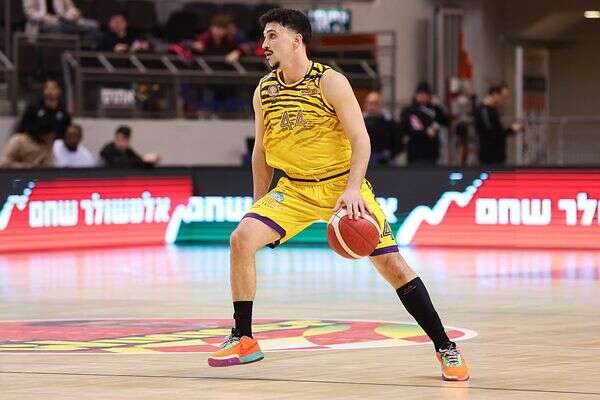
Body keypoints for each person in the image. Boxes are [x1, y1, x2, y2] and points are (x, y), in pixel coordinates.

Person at [206, 9, 469, 382]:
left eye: (272, 35)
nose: (264, 44)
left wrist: (352, 189)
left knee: (393, 268)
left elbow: (362, 140)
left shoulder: (330, 82)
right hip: (294, 188)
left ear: (296, 40)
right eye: (264, 37)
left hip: (341, 185)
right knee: (241, 239)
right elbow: (260, 152)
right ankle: (244, 337)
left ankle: (446, 347)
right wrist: (258, 204)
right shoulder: (264, 90)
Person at [400, 82, 449, 165]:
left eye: (426, 94)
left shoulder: (434, 109)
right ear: (416, 95)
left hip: (432, 152)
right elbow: (406, 128)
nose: (423, 96)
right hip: (416, 152)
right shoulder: (409, 110)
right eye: (421, 94)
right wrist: (425, 132)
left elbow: (445, 121)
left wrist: (438, 106)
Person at [474, 85, 523, 165]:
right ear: (495, 94)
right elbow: (491, 134)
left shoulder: (491, 110)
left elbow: (496, 131)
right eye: (503, 97)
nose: (503, 100)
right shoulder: (484, 111)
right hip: (489, 156)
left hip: (497, 156)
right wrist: (511, 130)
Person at [23, 0, 101, 43]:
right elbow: (29, 12)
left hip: (63, 21)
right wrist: (45, 17)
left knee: (94, 25)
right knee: (91, 27)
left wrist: (74, 13)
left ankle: (87, 56)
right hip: (41, 24)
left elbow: (70, 7)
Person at [363, 91, 402, 166]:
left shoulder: (389, 121)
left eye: (375, 104)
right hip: (366, 159)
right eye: (369, 103)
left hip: (386, 159)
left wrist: (391, 153)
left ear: (381, 105)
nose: (372, 107)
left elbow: (399, 141)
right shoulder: (360, 121)